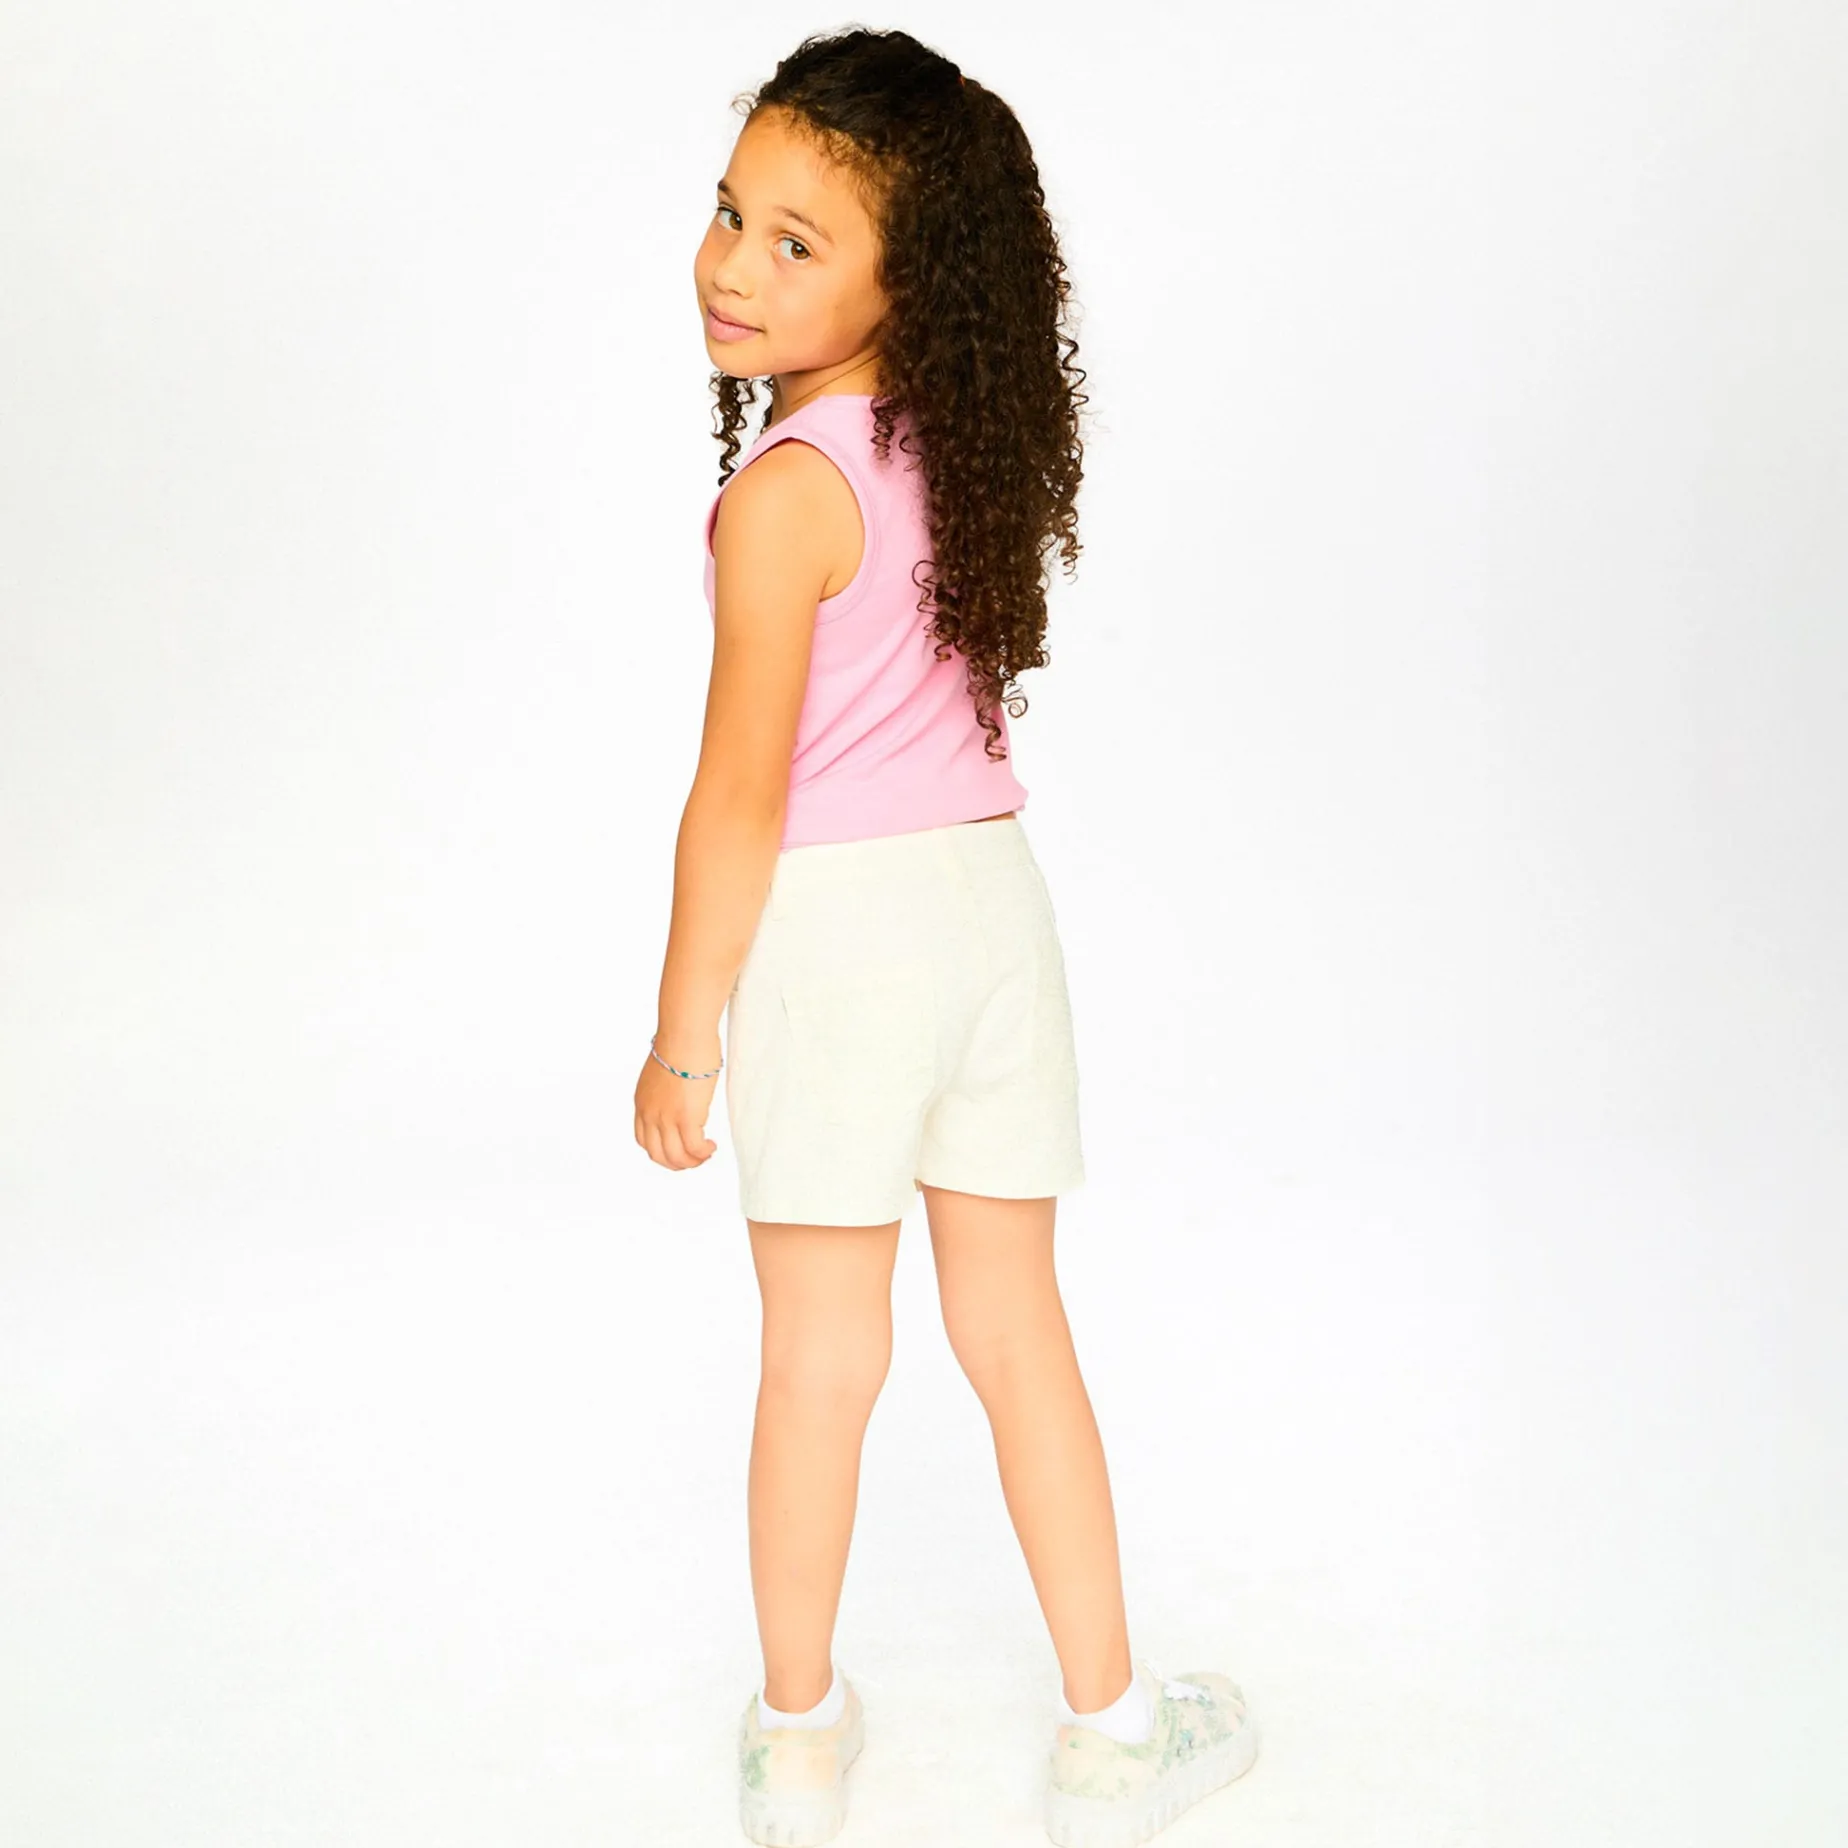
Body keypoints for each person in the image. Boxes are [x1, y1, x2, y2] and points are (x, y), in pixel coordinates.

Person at [634, 27, 1259, 1847]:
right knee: (1018, 1329)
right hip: (991, 914)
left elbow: (739, 797)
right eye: (731, 214)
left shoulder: (785, 497)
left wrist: (684, 1036)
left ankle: (799, 1737)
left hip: (839, 944)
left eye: (797, 241)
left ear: (906, 279)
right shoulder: (958, 447)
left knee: (823, 1356)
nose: (736, 265)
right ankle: (1113, 1725)